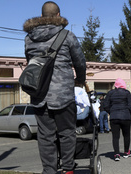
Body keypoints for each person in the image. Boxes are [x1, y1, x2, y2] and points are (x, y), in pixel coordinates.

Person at [23, 1, 86, 174]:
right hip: (63, 94)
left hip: (38, 94)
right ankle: (68, 169)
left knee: (45, 136)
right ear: (58, 15)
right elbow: (80, 62)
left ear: (42, 17)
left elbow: (31, 63)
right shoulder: (67, 35)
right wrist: (80, 80)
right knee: (67, 132)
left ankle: (49, 171)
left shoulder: (29, 38)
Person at [104, 78, 131, 161]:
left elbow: (105, 105)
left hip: (114, 117)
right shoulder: (127, 93)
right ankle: (126, 152)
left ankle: (116, 154)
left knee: (115, 137)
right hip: (126, 117)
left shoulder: (110, 93)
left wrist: (111, 111)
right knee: (126, 135)